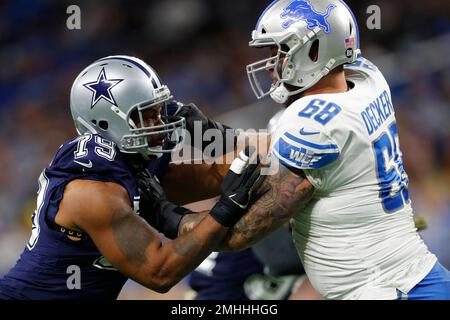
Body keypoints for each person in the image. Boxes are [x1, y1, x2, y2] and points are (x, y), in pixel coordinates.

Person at [179, 0, 450, 300]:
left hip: (389, 290)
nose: (270, 65)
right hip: (415, 275)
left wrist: (170, 218)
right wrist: (210, 135)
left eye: (278, 52)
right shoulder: (366, 78)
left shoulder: (309, 124)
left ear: (313, 51)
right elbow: (276, 148)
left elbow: (242, 234)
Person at [0, 55, 262, 300]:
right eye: (145, 115)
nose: (159, 122)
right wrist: (225, 210)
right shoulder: (93, 190)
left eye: (158, 110)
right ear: (105, 123)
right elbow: (159, 273)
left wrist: (212, 135)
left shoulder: (132, 161)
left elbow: (234, 168)